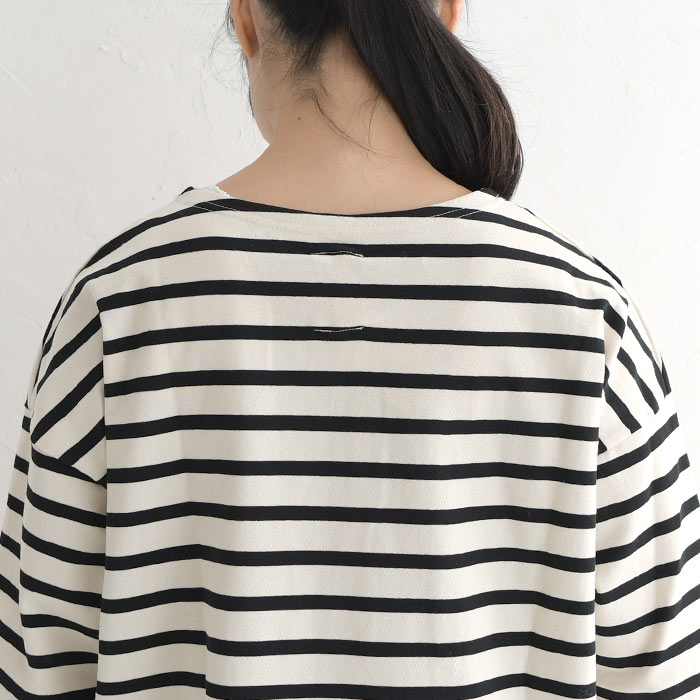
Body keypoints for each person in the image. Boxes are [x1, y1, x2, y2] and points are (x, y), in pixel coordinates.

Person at [1, 0, 698, 698]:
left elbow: (37, 670)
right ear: (447, 12)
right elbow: (664, 675)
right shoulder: (587, 319)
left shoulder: (116, 305)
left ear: (246, 17)